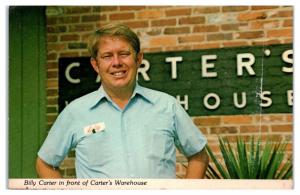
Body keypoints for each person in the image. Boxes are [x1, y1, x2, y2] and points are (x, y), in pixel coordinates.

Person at [36, 23, 209, 179]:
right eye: (107, 56)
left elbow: (198, 156)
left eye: (124, 54)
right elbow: (44, 163)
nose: (117, 62)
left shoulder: (167, 106)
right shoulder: (76, 112)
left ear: (139, 59)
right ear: (96, 65)